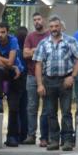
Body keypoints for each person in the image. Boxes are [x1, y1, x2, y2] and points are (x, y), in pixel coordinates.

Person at [33, 15, 78, 152]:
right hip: (48, 81)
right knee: (50, 112)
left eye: (56, 26)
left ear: (61, 27)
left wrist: (73, 76)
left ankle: (67, 140)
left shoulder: (70, 41)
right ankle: (53, 140)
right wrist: (40, 84)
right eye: (52, 27)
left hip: (65, 80)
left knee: (66, 112)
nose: (54, 29)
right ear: (49, 28)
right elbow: (38, 64)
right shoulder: (43, 43)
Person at [0, 21, 25, 144]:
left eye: (3, 32)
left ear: (7, 32)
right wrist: (10, 65)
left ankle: (12, 137)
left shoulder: (13, 41)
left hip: (17, 75)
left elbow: (10, 61)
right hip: (6, 71)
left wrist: (0, 58)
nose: (0, 35)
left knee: (14, 107)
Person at [23, 12, 49, 146]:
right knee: (31, 107)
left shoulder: (50, 35)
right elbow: (25, 54)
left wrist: (33, 50)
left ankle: (44, 137)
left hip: (47, 76)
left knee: (47, 108)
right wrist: (38, 50)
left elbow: (49, 53)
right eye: (34, 20)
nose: (37, 22)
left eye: (39, 19)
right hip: (31, 76)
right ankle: (31, 135)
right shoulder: (30, 36)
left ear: (44, 20)